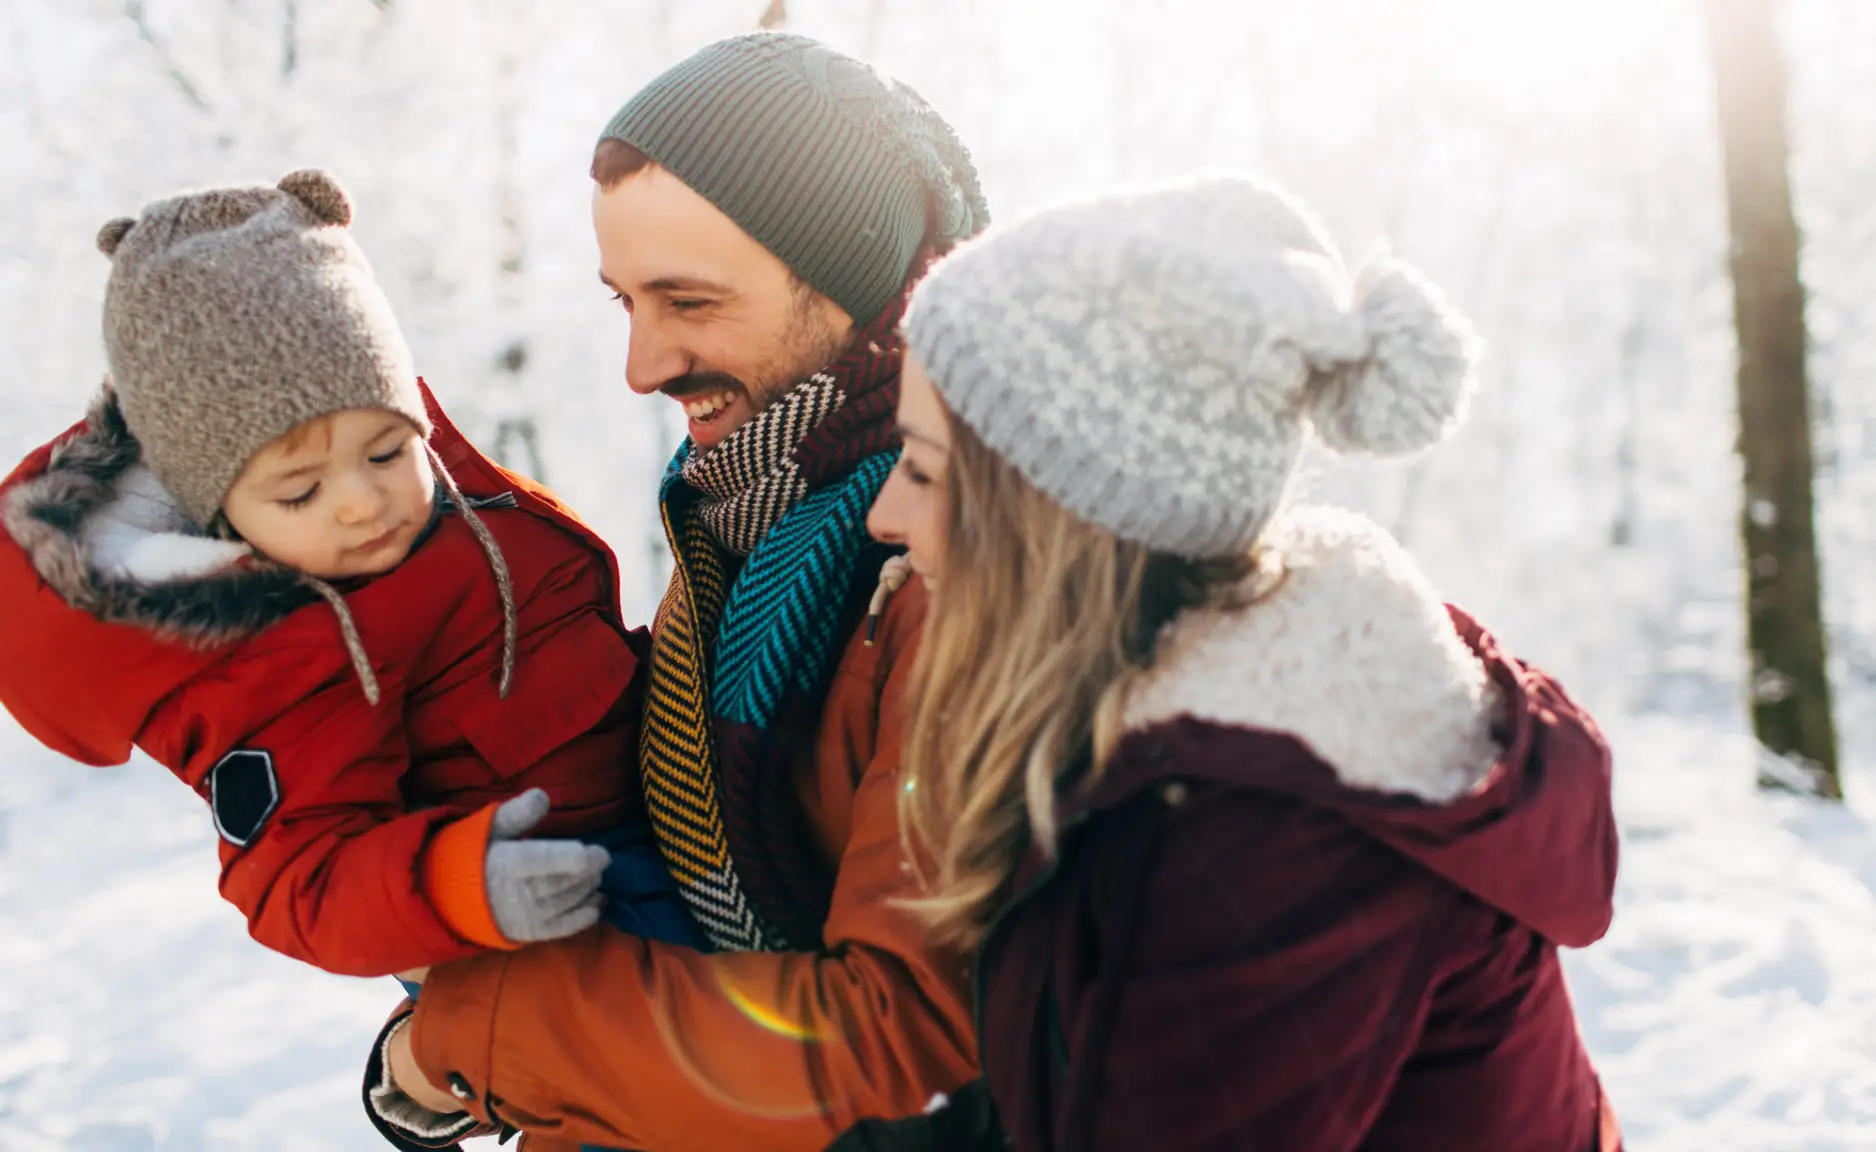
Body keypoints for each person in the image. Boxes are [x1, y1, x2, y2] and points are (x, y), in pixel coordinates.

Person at [865, 175, 1626, 1150]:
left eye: (924, 469)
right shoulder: (1173, 741)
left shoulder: (1270, 842)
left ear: (1050, 524)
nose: (885, 515)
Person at [367, 32, 1000, 1152]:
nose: (642, 365)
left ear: (848, 282)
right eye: (624, 304)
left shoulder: (958, 570)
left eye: (688, 303)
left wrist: (464, 1036)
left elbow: (900, 1055)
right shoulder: (741, 534)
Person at [0, 170, 704, 991]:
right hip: (538, 913)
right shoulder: (280, 651)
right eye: (300, 492)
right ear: (218, 512)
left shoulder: (449, 503)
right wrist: (455, 887)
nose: (362, 501)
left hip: (663, 816)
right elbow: (301, 875)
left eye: (386, 451)